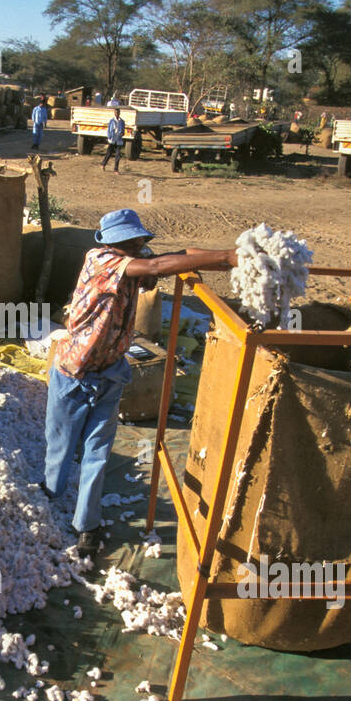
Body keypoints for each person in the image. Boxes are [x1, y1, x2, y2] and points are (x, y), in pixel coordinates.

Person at [42, 209, 236, 553]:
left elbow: (170, 260)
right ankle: (49, 493)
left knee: (97, 453)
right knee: (62, 446)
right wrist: (224, 256)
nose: (143, 244)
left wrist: (234, 259)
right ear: (119, 241)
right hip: (74, 372)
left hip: (111, 372)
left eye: (143, 240)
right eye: (137, 239)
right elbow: (157, 267)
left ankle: (86, 526)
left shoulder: (132, 261)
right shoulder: (102, 259)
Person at [101, 107, 125, 172]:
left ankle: (116, 170)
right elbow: (109, 130)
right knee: (109, 154)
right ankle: (103, 164)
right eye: (115, 112)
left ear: (119, 113)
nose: (117, 114)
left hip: (119, 141)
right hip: (112, 140)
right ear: (114, 113)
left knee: (118, 155)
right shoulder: (112, 121)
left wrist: (122, 133)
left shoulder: (122, 122)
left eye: (118, 112)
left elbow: (123, 130)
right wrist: (109, 137)